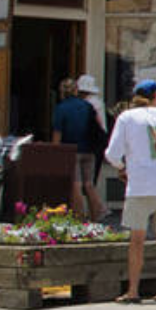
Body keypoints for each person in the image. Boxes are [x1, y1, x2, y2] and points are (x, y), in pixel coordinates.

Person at [105, 81, 156, 303]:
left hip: (140, 185)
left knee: (137, 239)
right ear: (155, 97)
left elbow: (112, 154)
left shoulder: (127, 118)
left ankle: (133, 290)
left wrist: (122, 169)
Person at [50, 75, 107, 220]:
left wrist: (55, 153)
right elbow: (99, 126)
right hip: (90, 150)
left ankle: (79, 218)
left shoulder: (61, 108)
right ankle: (97, 215)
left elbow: (57, 133)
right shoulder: (88, 106)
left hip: (71, 151)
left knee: (76, 184)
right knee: (88, 184)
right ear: (76, 90)